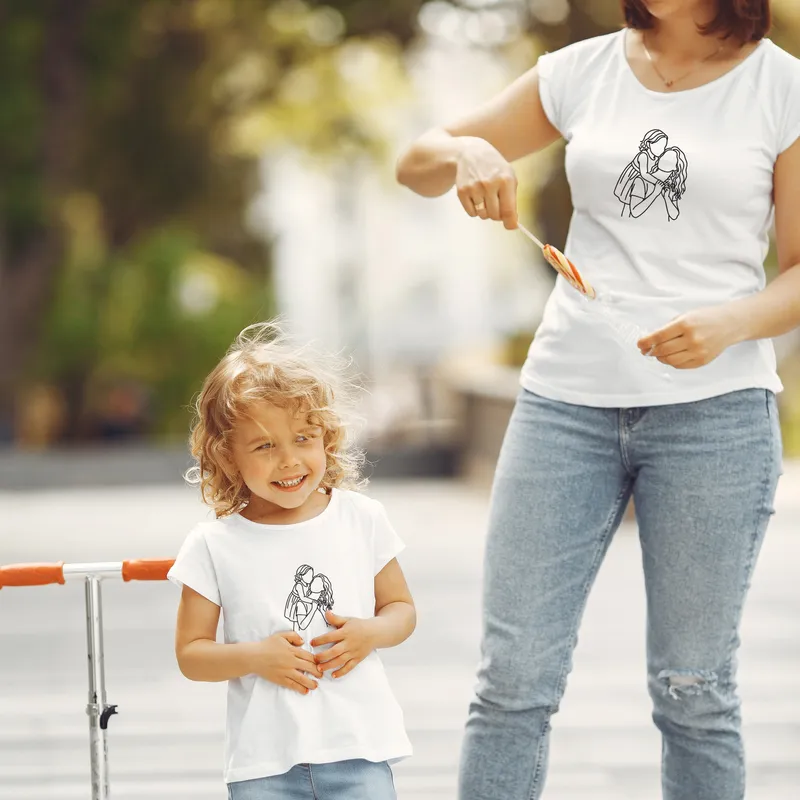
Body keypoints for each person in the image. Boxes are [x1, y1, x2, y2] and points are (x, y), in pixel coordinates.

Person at [395, 1, 800, 799]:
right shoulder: (582, 70)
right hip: (563, 407)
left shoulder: (782, 90)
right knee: (511, 684)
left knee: (694, 690)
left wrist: (734, 321)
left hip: (715, 417)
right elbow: (417, 163)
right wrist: (470, 151)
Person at [167, 322, 415, 799]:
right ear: (228, 456)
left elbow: (402, 611)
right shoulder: (212, 545)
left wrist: (370, 633)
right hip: (264, 766)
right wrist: (258, 657)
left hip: (359, 750)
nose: (289, 460)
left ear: (327, 437)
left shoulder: (361, 519)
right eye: (264, 446)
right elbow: (191, 655)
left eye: (304, 438)